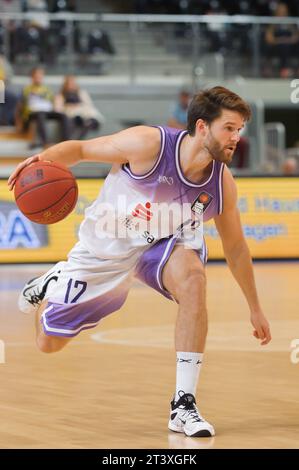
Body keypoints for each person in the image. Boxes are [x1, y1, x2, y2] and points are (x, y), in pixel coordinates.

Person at [8, 86, 272, 438]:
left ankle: (184, 404)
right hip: (109, 244)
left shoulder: (222, 183)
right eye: (229, 127)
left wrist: (255, 307)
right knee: (48, 342)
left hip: (164, 242)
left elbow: (236, 248)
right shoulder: (149, 144)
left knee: (194, 279)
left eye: (239, 130)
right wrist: (41, 161)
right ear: (202, 127)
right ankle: (52, 281)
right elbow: (81, 149)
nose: (236, 137)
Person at [16, 67, 71, 148]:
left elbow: (53, 102)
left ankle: (66, 142)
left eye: (40, 75)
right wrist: (19, 123)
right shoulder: (26, 89)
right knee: (40, 115)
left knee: (63, 115)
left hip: (47, 111)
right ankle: (45, 142)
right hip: (31, 114)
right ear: (32, 77)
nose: (38, 77)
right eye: (36, 75)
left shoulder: (47, 89)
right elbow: (19, 107)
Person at [54, 75, 104, 140]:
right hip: (71, 115)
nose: (71, 85)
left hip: (85, 114)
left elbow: (89, 105)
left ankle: (88, 125)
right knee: (75, 119)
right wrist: (68, 107)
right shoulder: (61, 95)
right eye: (69, 83)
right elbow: (58, 109)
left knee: (89, 122)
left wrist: (78, 105)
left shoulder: (82, 93)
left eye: (73, 83)